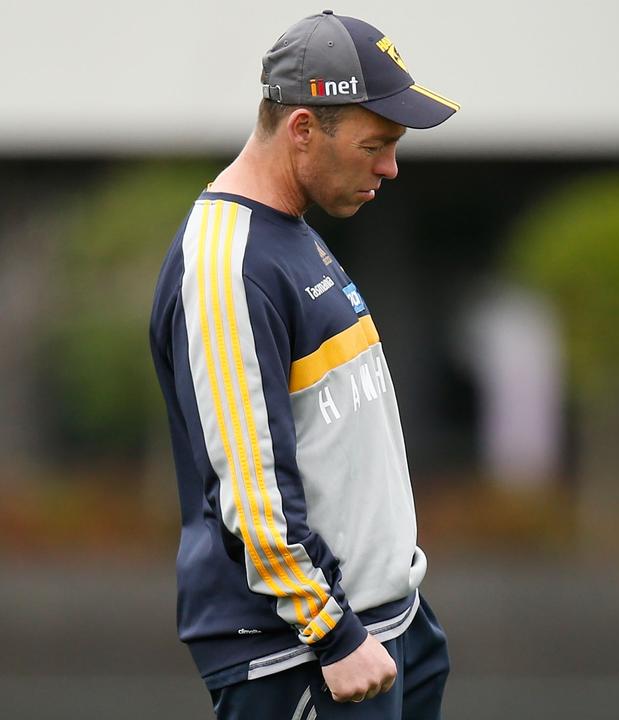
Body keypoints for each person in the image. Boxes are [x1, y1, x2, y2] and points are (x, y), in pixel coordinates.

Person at [149, 11, 459, 719]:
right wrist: (334, 633)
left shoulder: (287, 232)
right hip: (306, 653)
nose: (390, 166)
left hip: (384, 626)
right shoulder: (229, 263)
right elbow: (250, 487)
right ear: (302, 131)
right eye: (374, 144)